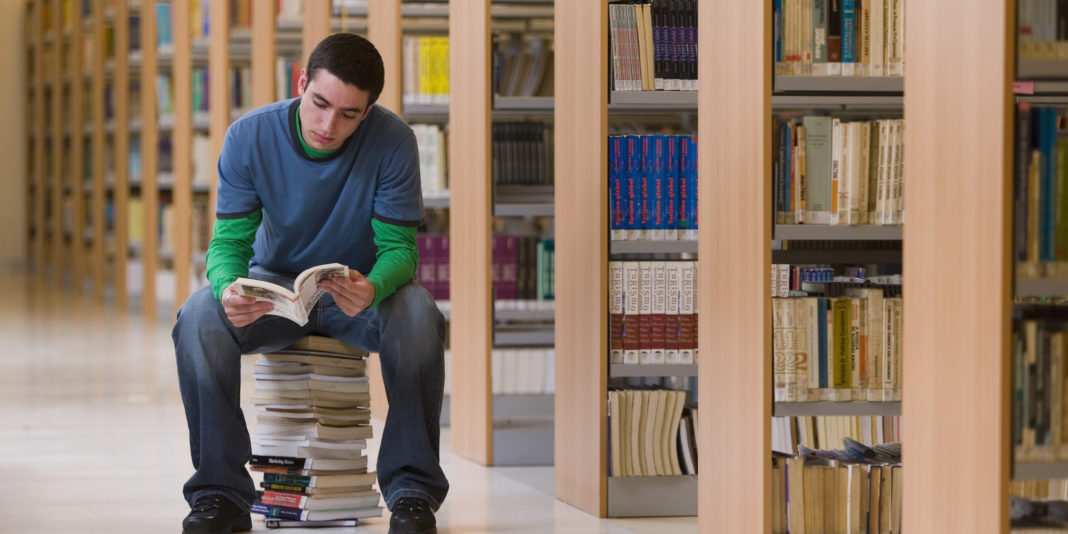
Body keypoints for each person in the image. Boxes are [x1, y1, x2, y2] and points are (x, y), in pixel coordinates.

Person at [173, 33, 447, 534]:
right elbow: (227, 242)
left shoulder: (394, 142)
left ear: (368, 111)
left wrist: (375, 286)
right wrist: (230, 286)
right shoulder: (249, 136)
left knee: (419, 311)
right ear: (302, 82)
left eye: (349, 114)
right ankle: (220, 494)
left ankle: (412, 494)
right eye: (319, 103)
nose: (327, 125)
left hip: (357, 292)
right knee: (197, 315)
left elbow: (400, 252)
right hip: (272, 292)